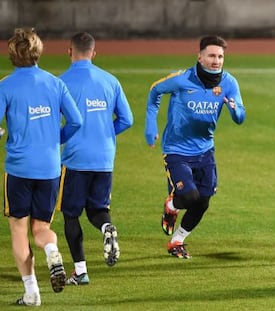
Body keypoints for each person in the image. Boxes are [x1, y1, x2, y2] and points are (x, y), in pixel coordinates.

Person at [0, 28, 82, 306]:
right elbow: (76, 121)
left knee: (18, 230)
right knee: (42, 228)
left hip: (19, 168)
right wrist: (55, 138)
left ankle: (32, 292)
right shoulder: (55, 83)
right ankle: (51, 249)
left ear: (12, 54)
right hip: (49, 167)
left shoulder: (5, 86)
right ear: (38, 52)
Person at [145, 35, 245, 259]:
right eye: (211, 55)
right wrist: (151, 125)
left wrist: (234, 110)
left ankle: (177, 241)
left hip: (205, 150)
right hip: (176, 149)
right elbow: (154, 91)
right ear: (199, 57)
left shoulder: (229, 83)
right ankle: (171, 205)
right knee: (189, 197)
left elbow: (241, 116)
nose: (216, 61)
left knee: (203, 201)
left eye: (220, 56)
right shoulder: (181, 79)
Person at [58, 32, 133, 285]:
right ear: (94, 52)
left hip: (75, 158)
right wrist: (104, 133)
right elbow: (127, 120)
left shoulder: (60, 82)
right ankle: (106, 228)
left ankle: (80, 272)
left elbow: (51, 123)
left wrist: (59, 138)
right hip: (104, 157)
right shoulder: (110, 81)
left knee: (71, 214)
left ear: (69, 52)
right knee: (98, 209)